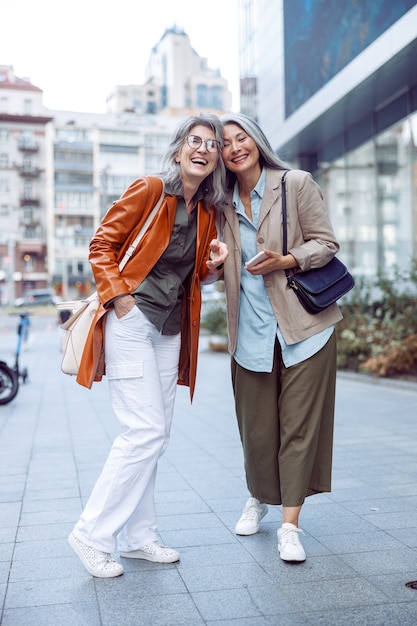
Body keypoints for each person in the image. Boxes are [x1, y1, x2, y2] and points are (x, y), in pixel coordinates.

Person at [68, 114, 228, 578]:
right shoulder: (151, 188)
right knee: (143, 432)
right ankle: (91, 534)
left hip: (171, 330)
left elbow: (192, 275)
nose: (203, 149)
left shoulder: (207, 210)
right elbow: (102, 244)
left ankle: (139, 537)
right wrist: (119, 300)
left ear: (216, 158)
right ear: (179, 150)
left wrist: (214, 266)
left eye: (211, 144)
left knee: (154, 438)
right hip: (133, 323)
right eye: (194, 141)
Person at [218, 113, 343, 562]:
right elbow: (216, 269)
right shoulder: (219, 204)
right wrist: (215, 265)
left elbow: (327, 243)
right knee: (256, 430)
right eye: (225, 142)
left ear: (257, 139)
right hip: (250, 331)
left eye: (241, 137)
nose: (235, 147)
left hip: (305, 329)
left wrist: (286, 259)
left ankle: (289, 525)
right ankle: (258, 495)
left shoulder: (295, 183)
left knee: (298, 428)